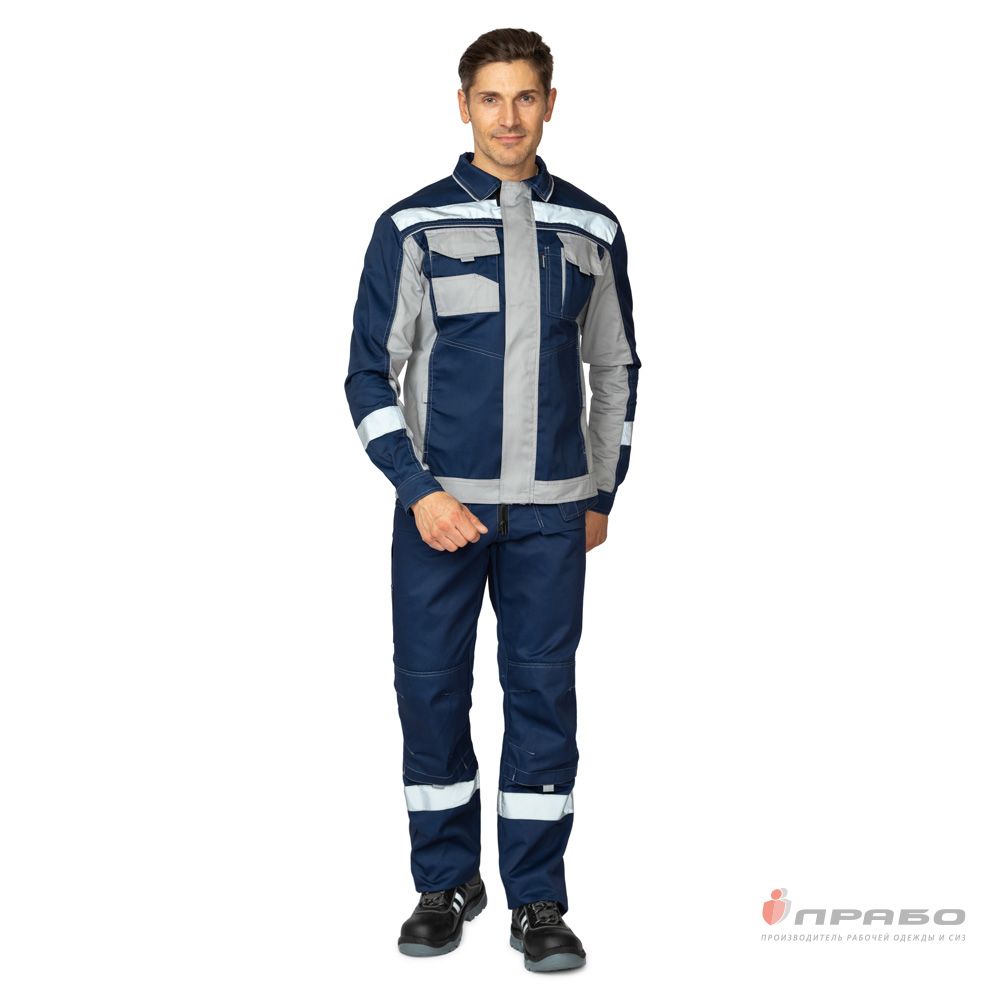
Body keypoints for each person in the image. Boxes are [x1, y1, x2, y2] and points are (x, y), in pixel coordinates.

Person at [344, 27, 640, 973]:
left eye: (525, 98)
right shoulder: (412, 226)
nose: (509, 118)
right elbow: (367, 375)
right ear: (463, 104)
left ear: (550, 103)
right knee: (431, 693)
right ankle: (445, 884)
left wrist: (601, 491)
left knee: (543, 700)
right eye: (490, 98)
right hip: (440, 514)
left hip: (553, 516)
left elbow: (616, 369)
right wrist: (418, 491)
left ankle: (538, 900)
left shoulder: (592, 228)